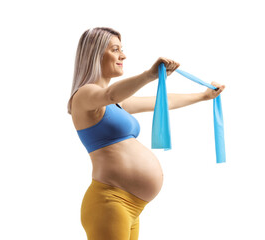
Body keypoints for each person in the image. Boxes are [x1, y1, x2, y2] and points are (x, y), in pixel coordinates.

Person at [68, 27, 225, 240]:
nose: (123, 55)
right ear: (95, 54)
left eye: (121, 49)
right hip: (110, 202)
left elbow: (162, 102)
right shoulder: (85, 95)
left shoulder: (115, 103)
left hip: (131, 206)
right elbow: (110, 92)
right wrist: (149, 75)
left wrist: (203, 96)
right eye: (115, 50)